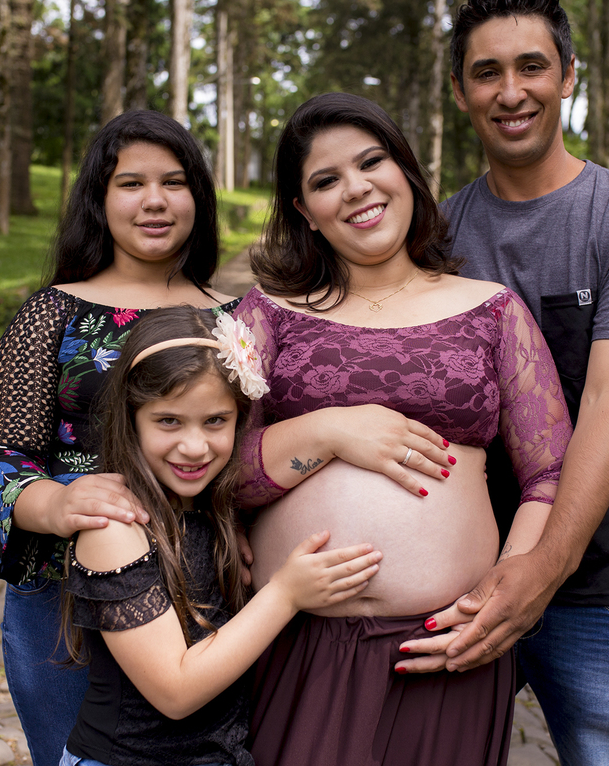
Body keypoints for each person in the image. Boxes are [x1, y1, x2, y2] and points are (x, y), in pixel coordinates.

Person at [232, 92, 573, 766]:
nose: (355, 189)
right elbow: (212, 467)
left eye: (371, 162)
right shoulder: (264, 313)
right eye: (325, 180)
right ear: (305, 211)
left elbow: (550, 473)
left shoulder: (492, 310)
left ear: (405, 171)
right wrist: (327, 431)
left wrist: (505, 589)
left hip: (445, 650)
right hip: (291, 642)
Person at [399, 0, 609, 766]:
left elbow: (606, 404)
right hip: (452, 573)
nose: (511, 91)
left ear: (568, 76)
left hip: (600, 585)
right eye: (487, 72)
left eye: (532, 67)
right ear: (460, 91)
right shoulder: (436, 234)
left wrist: (540, 573)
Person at [0, 109, 240, 765]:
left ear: (198, 199)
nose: (154, 200)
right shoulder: (52, 314)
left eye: (174, 181)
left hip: (205, 589)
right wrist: (59, 505)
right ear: (99, 197)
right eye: (131, 183)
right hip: (66, 607)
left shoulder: (234, 320)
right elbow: (2, 465)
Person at [57, 306, 383, 766]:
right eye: (169, 421)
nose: (194, 447)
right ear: (131, 419)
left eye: (215, 421)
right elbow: (176, 691)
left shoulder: (211, 509)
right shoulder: (116, 529)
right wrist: (285, 594)